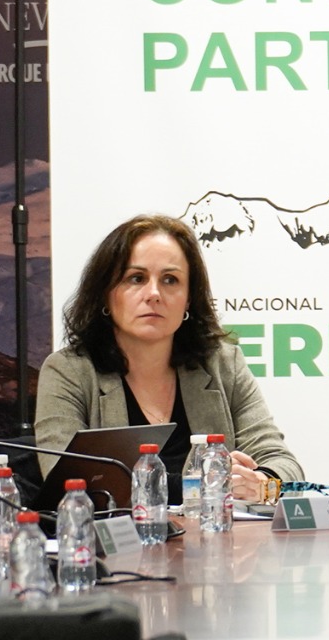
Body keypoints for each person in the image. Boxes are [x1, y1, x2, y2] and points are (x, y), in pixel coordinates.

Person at [36, 214, 300, 503]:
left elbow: (282, 462)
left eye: (170, 280)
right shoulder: (69, 371)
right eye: (136, 278)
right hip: (117, 534)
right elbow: (67, 483)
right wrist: (205, 486)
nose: (153, 294)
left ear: (189, 299)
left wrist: (261, 482)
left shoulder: (223, 364)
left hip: (215, 533)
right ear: (105, 294)